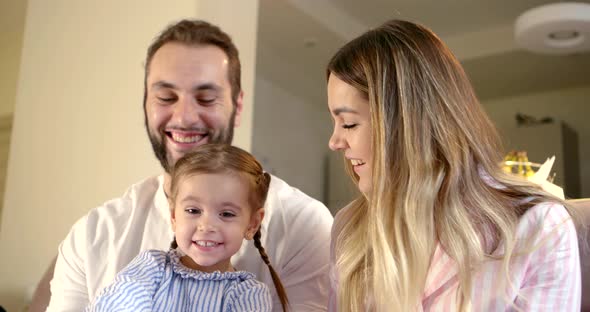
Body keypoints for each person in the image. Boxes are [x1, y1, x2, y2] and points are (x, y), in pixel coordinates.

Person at [42, 19, 333, 312]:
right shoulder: (92, 236)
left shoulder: (304, 225)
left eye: (206, 99)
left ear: (238, 106)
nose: (184, 117)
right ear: (146, 103)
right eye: (166, 97)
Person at [325, 19, 581, 311]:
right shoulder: (349, 228)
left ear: (408, 123)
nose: (335, 141)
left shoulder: (539, 228)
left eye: (349, 123)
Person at [86, 144, 287, 311]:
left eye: (226, 214)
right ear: (174, 216)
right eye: (193, 210)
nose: (206, 225)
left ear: (252, 224)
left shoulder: (248, 295)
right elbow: (117, 302)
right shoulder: (151, 268)